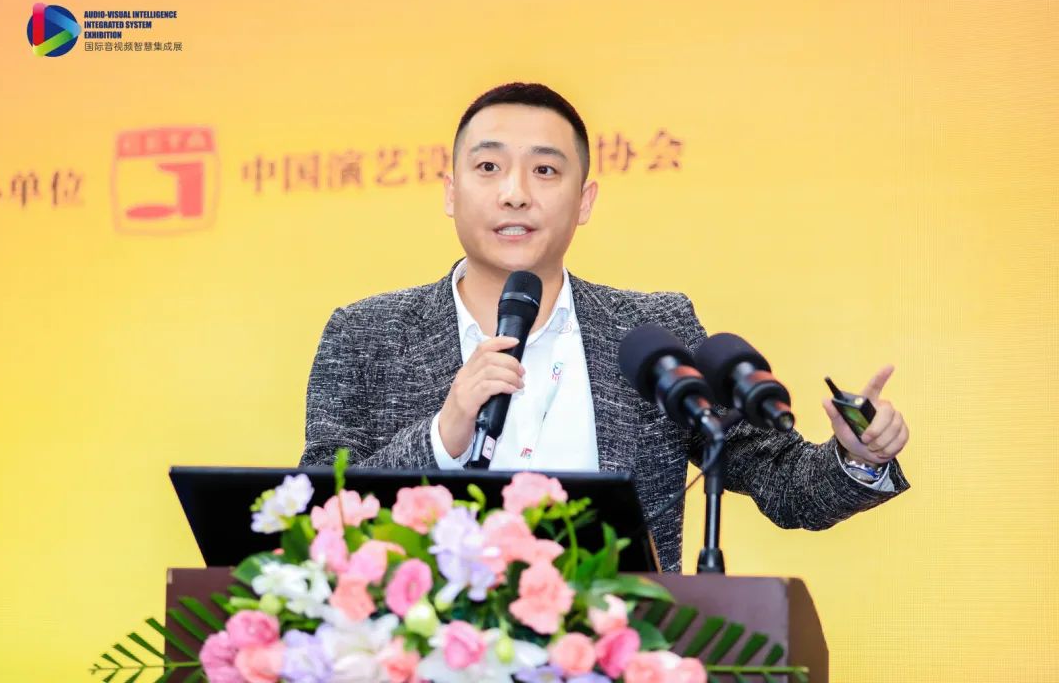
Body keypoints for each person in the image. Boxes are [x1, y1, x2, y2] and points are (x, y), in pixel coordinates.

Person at [301, 82, 910, 572]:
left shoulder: (652, 333)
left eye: (545, 171)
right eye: (488, 166)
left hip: (621, 654)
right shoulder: (367, 335)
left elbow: (778, 477)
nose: (515, 193)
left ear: (585, 200)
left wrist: (856, 457)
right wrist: (444, 434)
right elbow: (318, 519)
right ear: (450, 193)